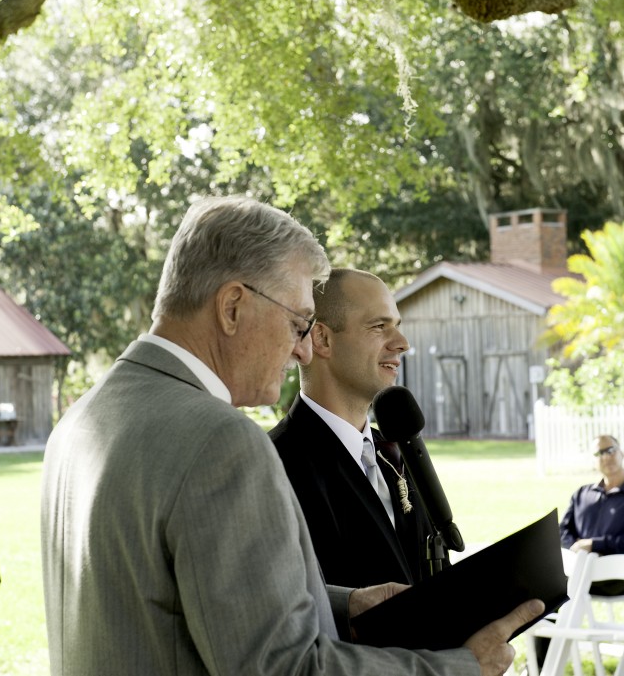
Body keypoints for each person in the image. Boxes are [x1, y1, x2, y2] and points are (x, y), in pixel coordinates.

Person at [40, 196, 543, 676]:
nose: (303, 351)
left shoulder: (80, 422)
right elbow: (282, 667)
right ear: (233, 306)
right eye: (300, 323)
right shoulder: (220, 441)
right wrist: (459, 667)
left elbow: (163, 593)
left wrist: (346, 604)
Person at [270, 268, 433, 588]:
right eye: (379, 326)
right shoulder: (275, 464)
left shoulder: (396, 450)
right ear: (322, 339)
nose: (402, 343)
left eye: (397, 326)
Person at [559, 435, 624, 561]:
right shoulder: (581, 494)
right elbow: (561, 531)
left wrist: (593, 545)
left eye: (610, 450)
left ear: (622, 454)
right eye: (599, 453)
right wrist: (576, 548)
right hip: (576, 571)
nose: (606, 457)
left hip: (616, 576)